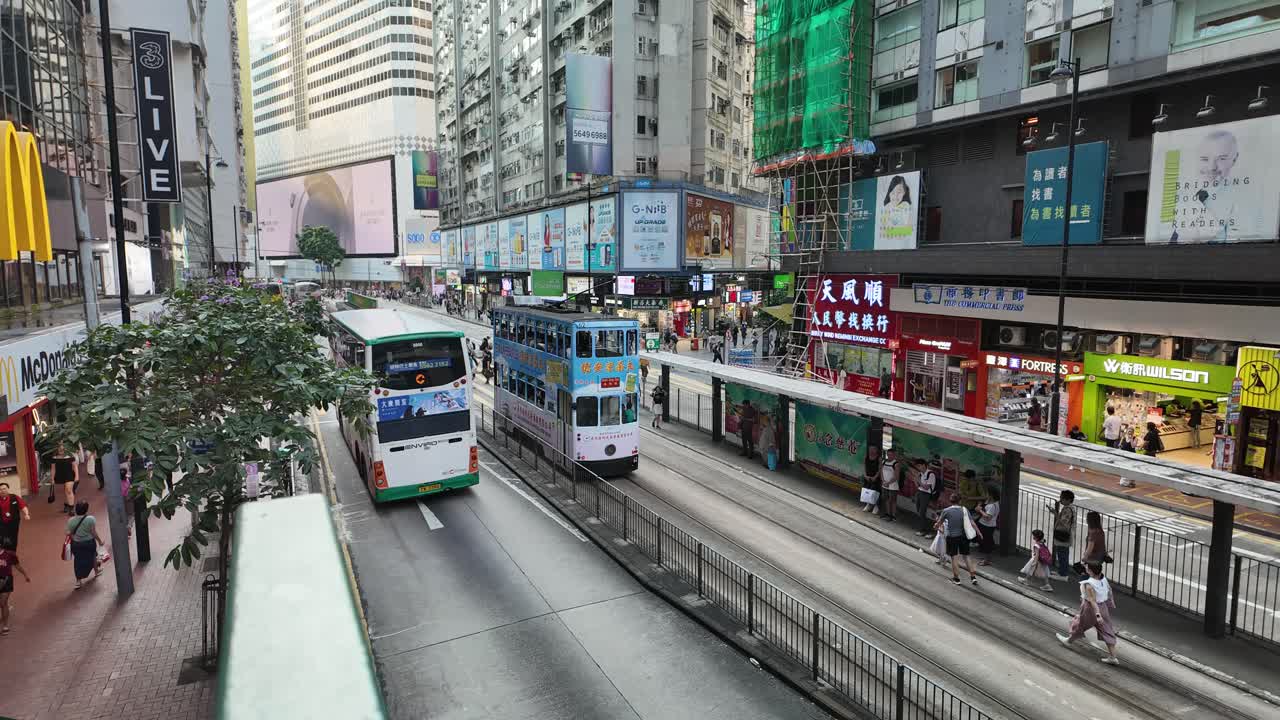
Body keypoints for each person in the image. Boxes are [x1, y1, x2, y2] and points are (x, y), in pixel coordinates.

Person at [1057, 562, 1120, 665]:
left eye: (1087, 567)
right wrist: (1110, 603)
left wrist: (1097, 615)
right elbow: (1109, 591)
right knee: (1106, 630)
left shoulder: (1089, 584)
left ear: (1090, 571)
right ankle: (1113, 656)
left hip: (1090, 609)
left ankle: (1068, 641)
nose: (1085, 567)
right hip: (1103, 607)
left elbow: (1092, 601)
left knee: (1080, 624)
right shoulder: (1103, 579)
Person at [936, 493, 979, 586]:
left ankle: (956, 579)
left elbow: (939, 523)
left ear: (950, 501)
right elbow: (972, 523)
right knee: (967, 556)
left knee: (954, 558)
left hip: (952, 537)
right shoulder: (964, 509)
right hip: (963, 537)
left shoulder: (946, 511)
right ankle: (973, 577)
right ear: (960, 501)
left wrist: (936, 526)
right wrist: (979, 533)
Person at [67, 501, 104, 589]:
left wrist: (75, 539)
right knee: (93, 555)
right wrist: (99, 541)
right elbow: (93, 532)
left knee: (78, 560)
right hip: (89, 542)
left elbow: (69, 533)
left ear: (76, 509)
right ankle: (96, 571)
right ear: (86, 510)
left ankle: (78, 581)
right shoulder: (90, 519)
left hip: (77, 544)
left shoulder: (71, 520)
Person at [0, 544, 31, 634]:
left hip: (7, 580)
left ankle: (5, 626)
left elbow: (17, 566)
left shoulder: (9, 555)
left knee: (3, 603)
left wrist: (25, 575)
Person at [1049, 490, 1076, 580]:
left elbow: (1064, 523)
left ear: (1068, 500)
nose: (1060, 500)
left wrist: (1056, 514)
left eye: (1062, 498)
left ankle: (1063, 574)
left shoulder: (1068, 509)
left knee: (1062, 554)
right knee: (1062, 553)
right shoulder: (1070, 508)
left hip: (1064, 535)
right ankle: (1061, 571)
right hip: (1065, 534)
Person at [0, 483, 30, 551]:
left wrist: (26, 514)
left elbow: (23, 506)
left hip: (13, 522)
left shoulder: (14, 497)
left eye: (4, 489)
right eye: (0, 489)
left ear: (8, 489)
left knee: (13, 539)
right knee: (3, 539)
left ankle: (12, 555)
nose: (2, 491)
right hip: (2, 524)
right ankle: (5, 555)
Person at [911, 457, 936, 535]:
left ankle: (923, 530)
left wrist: (918, 480)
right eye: (917, 466)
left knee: (922, 511)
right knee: (919, 511)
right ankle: (922, 528)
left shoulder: (930, 474)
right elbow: (917, 486)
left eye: (919, 466)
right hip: (919, 492)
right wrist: (915, 479)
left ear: (924, 465)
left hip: (926, 494)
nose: (918, 468)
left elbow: (926, 487)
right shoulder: (920, 474)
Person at [1079, 510, 1107, 577]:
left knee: (1087, 579)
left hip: (1092, 560)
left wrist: (1084, 558)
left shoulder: (1093, 533)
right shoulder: (1101, 531)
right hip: (1099, 559)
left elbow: (1089, 549)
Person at [52, 442, 78, 515]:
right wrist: (52, 479)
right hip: (60, 475)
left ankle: (71, 509)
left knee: (69, 490)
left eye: (62, 447)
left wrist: (77, 476)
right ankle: (67, 504)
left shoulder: (69, 456)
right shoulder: (54, 457)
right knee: (66, 490)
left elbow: (75, 466)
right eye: (59, 447)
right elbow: (53, 469)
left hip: (69, 475)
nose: (61, 448)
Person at [976, 489, 1000, 566]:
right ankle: (986, 558)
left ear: (991, 496)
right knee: (983, 541)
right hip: (983, 524)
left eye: (988, 494)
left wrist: (980, 510)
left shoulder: (993, 506)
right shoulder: (990, 502)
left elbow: (988, 517)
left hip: (987, 526)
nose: (986, 495)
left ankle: (987, 560)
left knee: (986, 543)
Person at [879, 448, 900, 521]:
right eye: (888, 454)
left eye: (891, 455)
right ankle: (888, 513)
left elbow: (896, 476)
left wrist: (888, 483)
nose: (889, 456)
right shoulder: (884, 462)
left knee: (893, 501)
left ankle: (893, 515)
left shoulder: (896, 464)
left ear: (894, 455)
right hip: (884, 484)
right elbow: (881, 471)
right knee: (886, 499)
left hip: (893, 486)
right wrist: (883, 481)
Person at [862, 445, 882, 514]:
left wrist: (875, 477)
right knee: (868, 490)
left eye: (873, 449)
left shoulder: (879, 458)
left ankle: (876, 506)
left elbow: (880, 470)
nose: (871, 451)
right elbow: (864, 466)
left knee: (875, 491)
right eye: (870, 449)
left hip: (875, 477)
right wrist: (865, 475)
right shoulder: (866, 457)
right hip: (867, 476)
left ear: (877, 450)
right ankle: (868, 505)